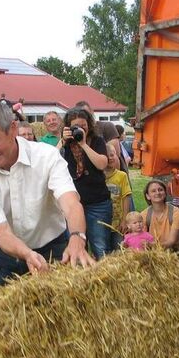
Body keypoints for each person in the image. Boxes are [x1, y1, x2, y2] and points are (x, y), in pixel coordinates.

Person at [0, 101, 95, 285]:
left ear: (12, 129)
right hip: (4, 253)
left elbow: (71, 202)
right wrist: (28, 255)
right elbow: (1, 233)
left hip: (54, 246)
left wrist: (77, 237)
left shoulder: (47, 156)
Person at [61, 107, 113, 259]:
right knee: (74, 246)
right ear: (68, 127)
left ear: (89, 124)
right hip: (72, 205)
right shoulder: (65, 144)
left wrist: (83, 144)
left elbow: (102, 164)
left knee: (100, 246)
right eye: (76, 126)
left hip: (97, 203)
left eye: (84, 125)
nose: (81, 128)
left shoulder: (97, 141)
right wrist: (62, 140)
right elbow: (51, 160)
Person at [141, 179, 179, 250]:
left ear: (165, 193)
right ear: (148, 196)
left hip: (173, 252)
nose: (157, 193)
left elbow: (172, 241)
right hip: (152, 253)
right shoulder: (144, 214)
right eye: (153, 191)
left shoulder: (175, 212)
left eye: (160, 190)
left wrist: (153, 246)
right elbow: (142, 238)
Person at [104, 144, 131, 247]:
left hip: (118, 224)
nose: (110, 158)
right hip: (103, 223)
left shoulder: (121, 176)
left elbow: (126, 197)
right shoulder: (97, 177)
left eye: (112, 155)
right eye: (107, 156)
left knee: (119, 249)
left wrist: (124, 220)